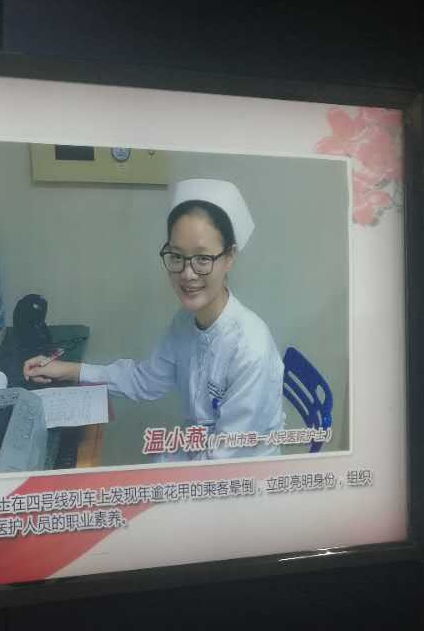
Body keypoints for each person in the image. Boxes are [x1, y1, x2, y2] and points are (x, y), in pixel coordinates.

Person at [23, 179, 284, 460]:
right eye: (177, 256)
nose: (187, 274)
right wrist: (69, 370)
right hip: (200, 454)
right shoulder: (186, 321)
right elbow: (144, 381)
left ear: (229, 257)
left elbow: (224, 460)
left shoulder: (250, 350)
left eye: (202, 259)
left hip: (241, 474)